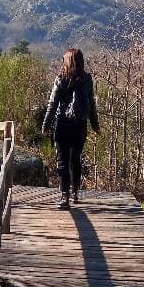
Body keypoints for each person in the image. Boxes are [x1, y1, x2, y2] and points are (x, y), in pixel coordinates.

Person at [41, 48, 99, 209]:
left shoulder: (60, 79)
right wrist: (95, 125)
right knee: (76, 159)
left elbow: (52, 106)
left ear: (65, 61)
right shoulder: (87, 80)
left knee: (62, 161)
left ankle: (64, 196)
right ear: (81, 61)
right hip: (80, 125)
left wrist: (45, 125)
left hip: (62, 125)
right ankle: (75, 193)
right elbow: (92, 104)